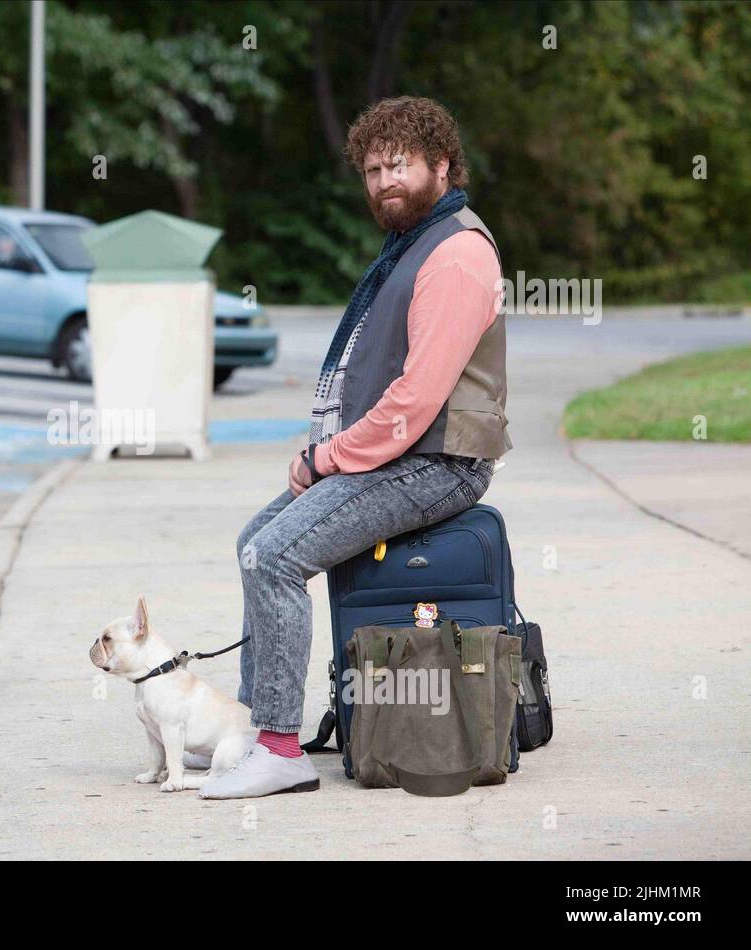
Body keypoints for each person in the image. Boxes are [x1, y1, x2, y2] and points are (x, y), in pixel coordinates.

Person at [199, 96, 512, 800]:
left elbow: (416, 401)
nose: (382, 181)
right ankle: (253, 731)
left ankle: (281, 750)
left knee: (276, 557)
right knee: (257, 540)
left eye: (398, 164)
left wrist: (327, 457)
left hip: (440, 463)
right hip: (404, 455)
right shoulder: (411, 246)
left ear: (441, 165)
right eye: (371, 170)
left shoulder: (457, 252)